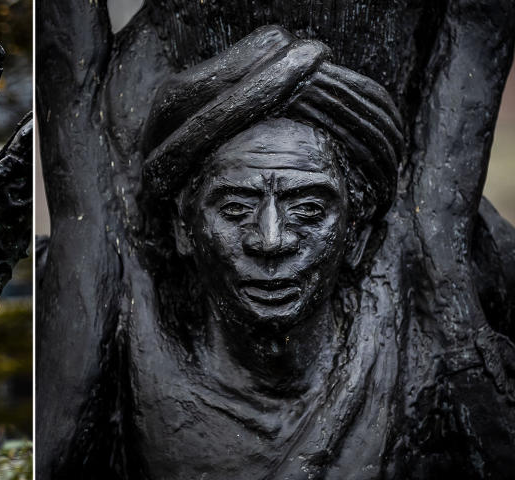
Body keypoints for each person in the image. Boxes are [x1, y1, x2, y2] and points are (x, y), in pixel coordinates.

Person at [123, 26, 405, 478]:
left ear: (356, 235)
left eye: (309, 209)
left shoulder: (416, 363)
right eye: (235, 208)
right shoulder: (128, 362)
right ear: (183, 228)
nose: (271, 241)